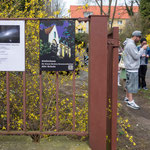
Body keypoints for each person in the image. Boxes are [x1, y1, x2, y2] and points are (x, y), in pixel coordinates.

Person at [123, 31, 148, 109]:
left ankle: (127, 98)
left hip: (130, 66)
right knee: (131, 85)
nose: (139, 39)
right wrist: (142, 49)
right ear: (135, 36)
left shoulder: (129, 43)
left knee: (128, 84)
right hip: (132, 68)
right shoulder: (131, 45)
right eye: (139, 37)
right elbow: (136, 56)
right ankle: (131, 102)